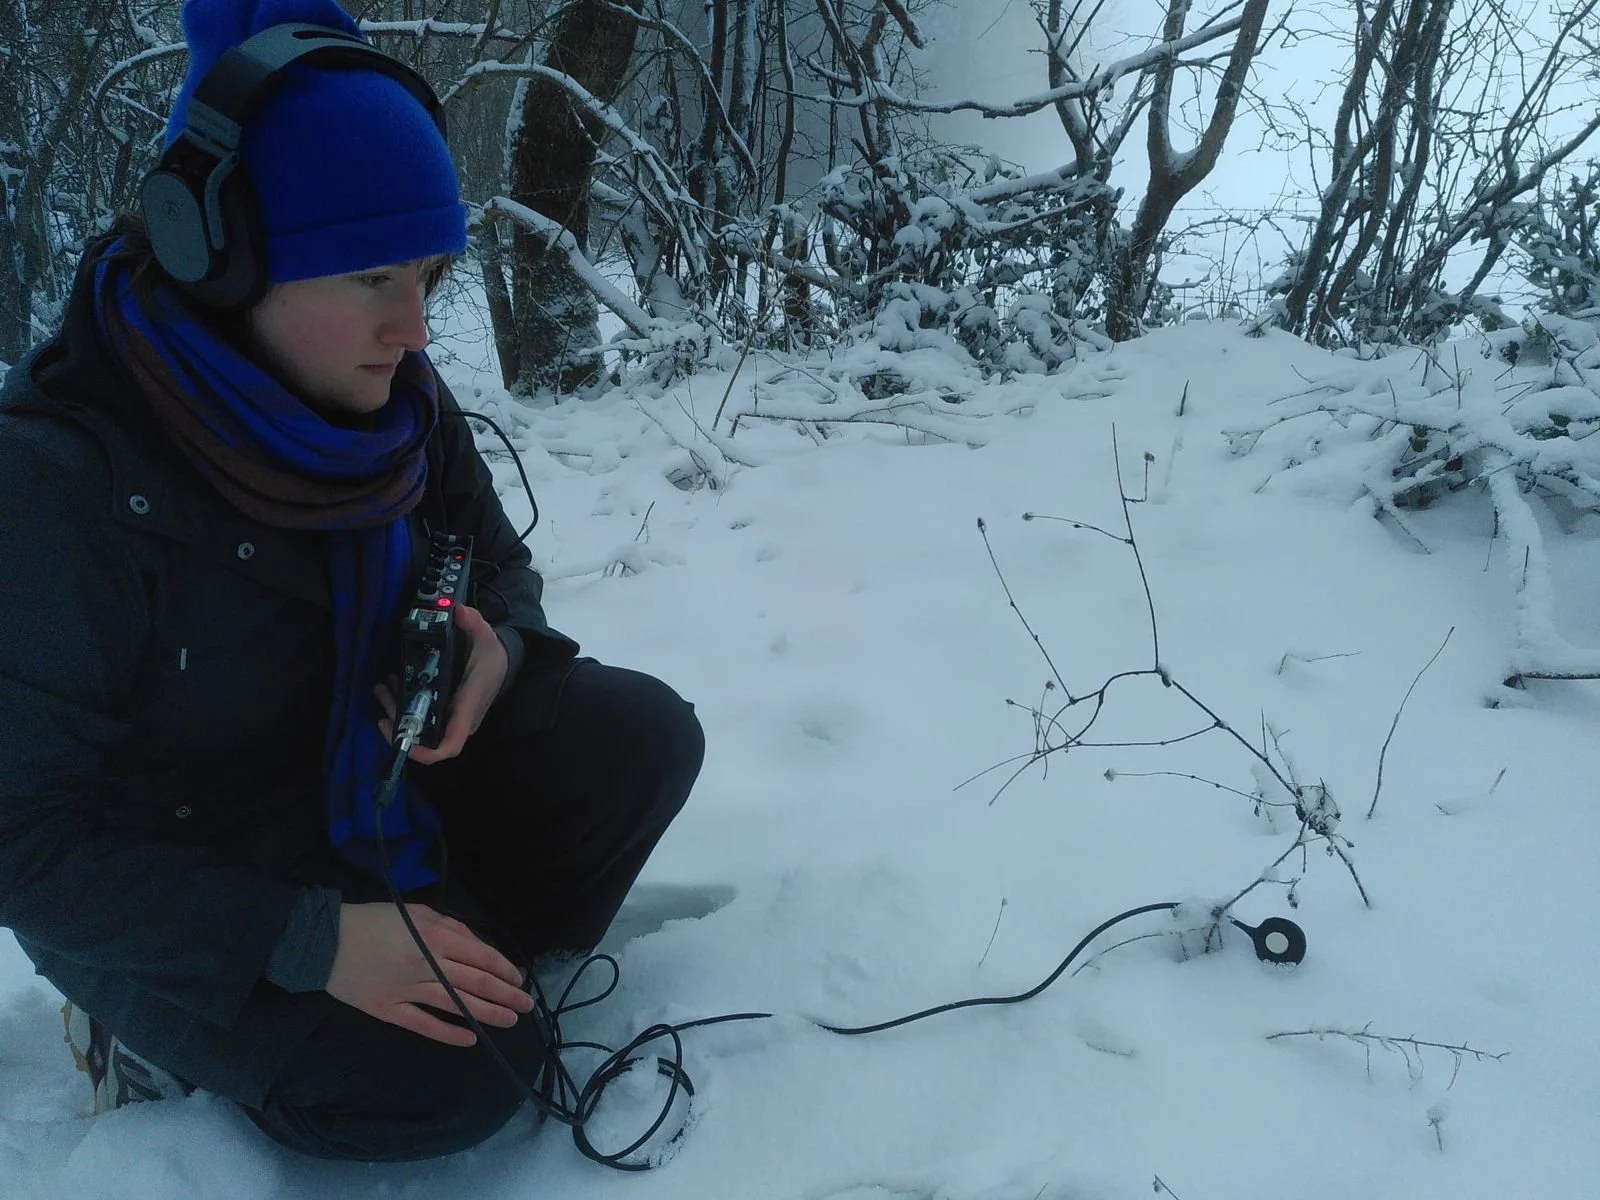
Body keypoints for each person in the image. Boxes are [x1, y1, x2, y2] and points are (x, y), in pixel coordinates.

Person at [0, 0, 703, 1163]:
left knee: (640, 740)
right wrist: (309, 943)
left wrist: (501, 648)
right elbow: (23, 844)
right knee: (464, 1082)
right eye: (373, 274)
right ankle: (156, 1038)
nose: (414, 326)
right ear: (217, 260)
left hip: (365, 791)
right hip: (180, 881)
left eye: (429, 271)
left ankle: (454, 955)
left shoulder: (404, 417)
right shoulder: (56, 485)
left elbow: (497, 565)